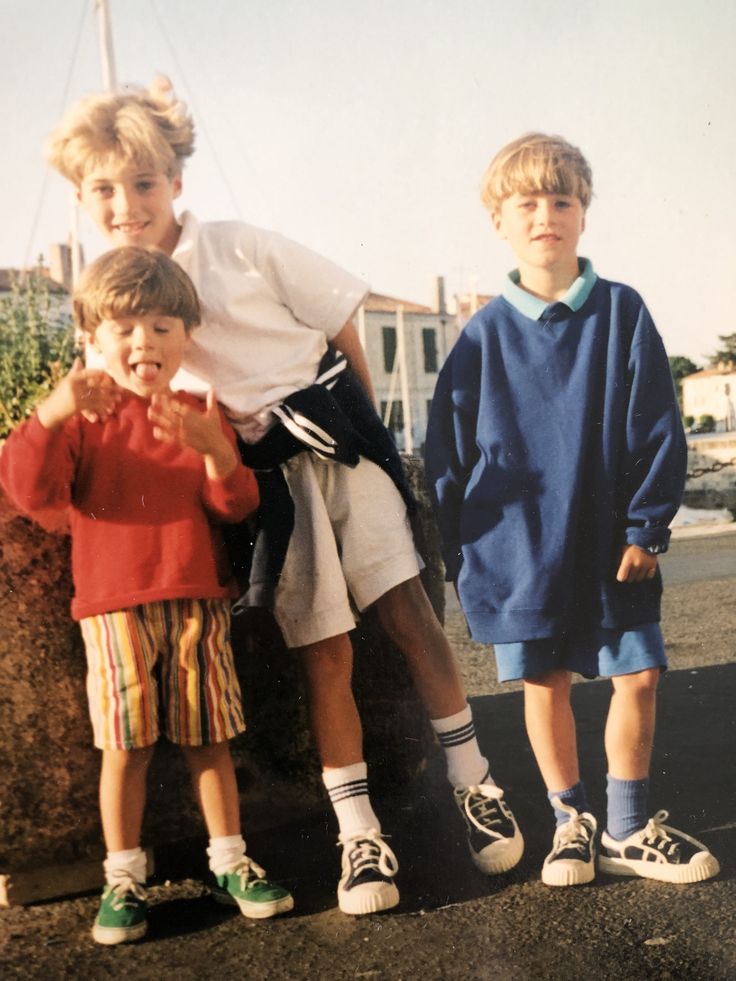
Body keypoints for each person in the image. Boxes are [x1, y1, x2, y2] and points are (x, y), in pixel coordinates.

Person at [43, 78, 524, 916]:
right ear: (82, 200)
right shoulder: (116, 294)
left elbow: (342, 317)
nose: (128, 205)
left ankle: (473, 779)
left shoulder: (239, 246)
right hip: (262, 476)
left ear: (177, 183)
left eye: (146, 184)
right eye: (106, 191)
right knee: (323, 650)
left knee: (408, 613)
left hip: (335, 439)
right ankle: (358, 832)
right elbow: (106, 398)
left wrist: (369, 437)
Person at [425, 132, 720, 887]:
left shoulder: (622, 312)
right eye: (526, 202)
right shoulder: (482, 337)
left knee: (640, 675)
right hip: (519, 548)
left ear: (584, 213)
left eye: (562, 199)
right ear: (498, 220)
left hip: (609, 539)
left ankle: (625, 826)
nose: (545, 214)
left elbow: (659, 427)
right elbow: (448, 459)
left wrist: (649, 525)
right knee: (543, 681)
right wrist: (464, 556)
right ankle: (570, 822)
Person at [0, 246, 294, 944]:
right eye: (126, 327)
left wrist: (216, 450)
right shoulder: (81, 415)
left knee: (208, 736)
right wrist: (52, 411)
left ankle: (230, 858)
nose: (145, 342)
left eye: (163, 326)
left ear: (187, 336)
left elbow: (234, 503)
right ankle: (123, 875)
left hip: (196, 599)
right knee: (124, 747)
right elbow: (29, 489)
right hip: (113, 609)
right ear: (92, 337)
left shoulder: (198, 410)